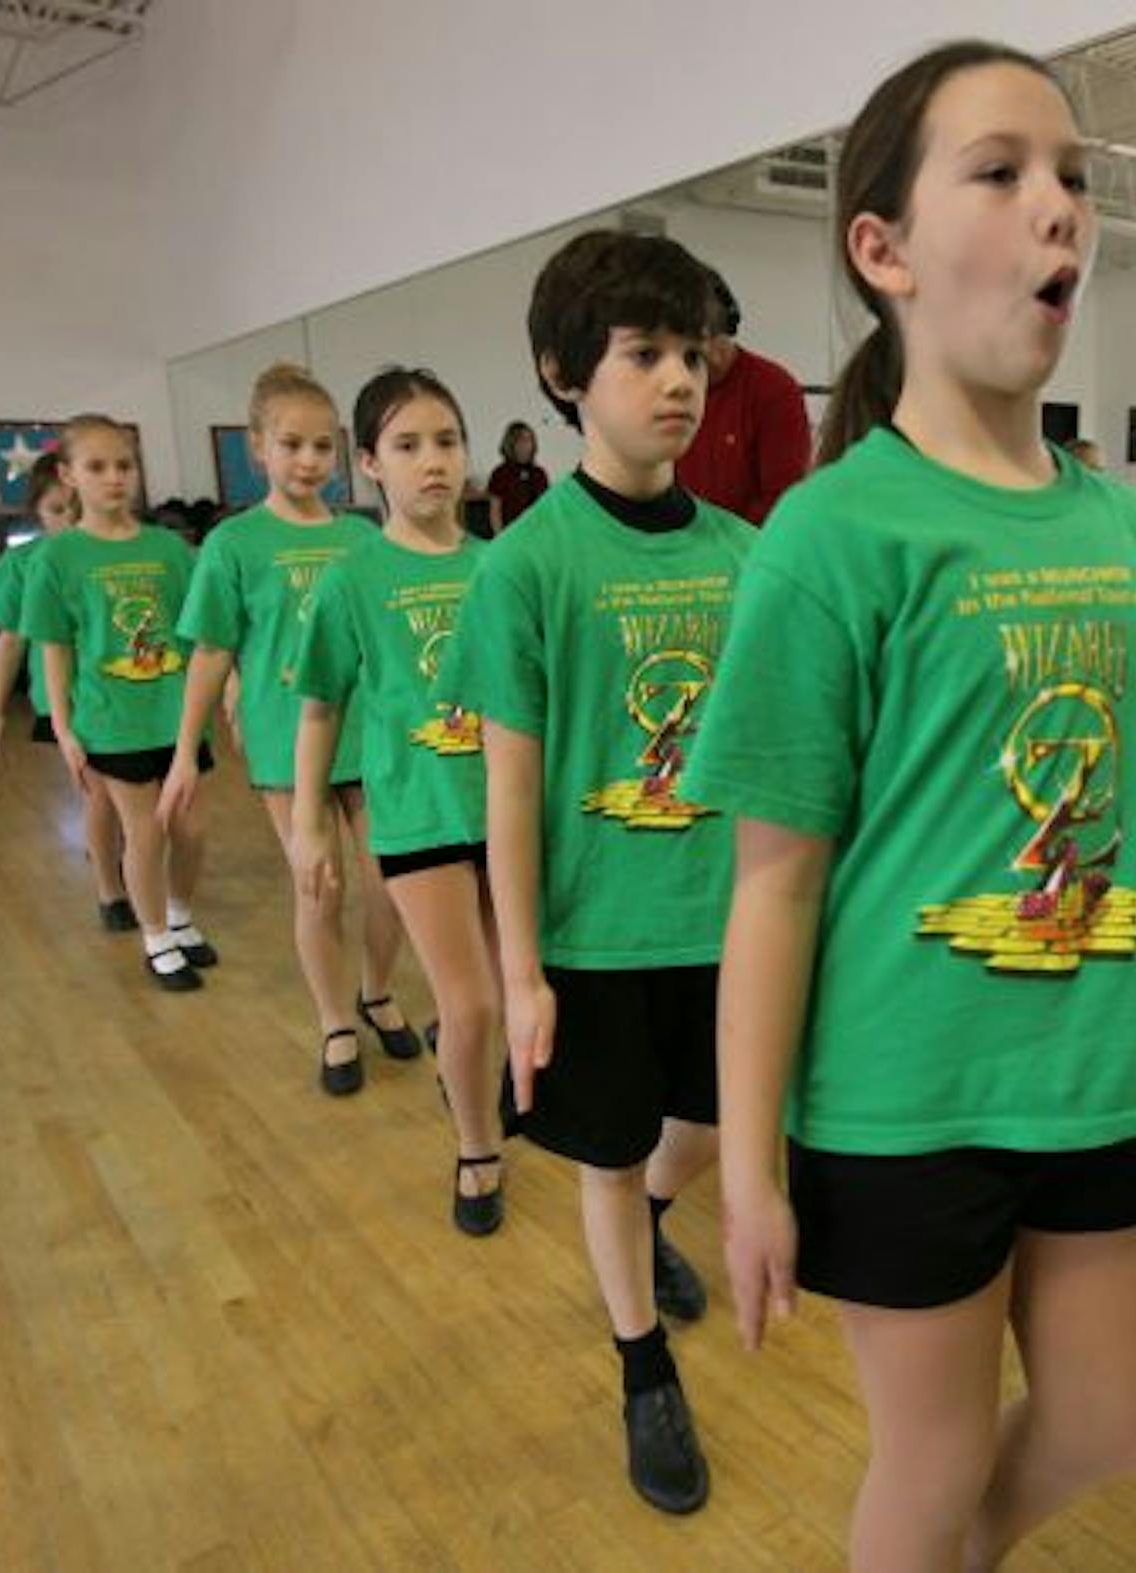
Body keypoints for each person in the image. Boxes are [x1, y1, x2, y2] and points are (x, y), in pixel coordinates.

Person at [682, 44, 1136, 1572]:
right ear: (883, 249)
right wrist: (749, 1170)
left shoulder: (1131, 538)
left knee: (1112, 1424)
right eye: (1001, 171)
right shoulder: (829, 537)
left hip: (1090, 1082)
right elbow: (772, 883)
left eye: (1074, 177)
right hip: (900, 1104)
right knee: (936, 1456)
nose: (1059, 207)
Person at [443, 229, 754, 1516]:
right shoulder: (526, 564)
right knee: (609, 1159)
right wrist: (521, 973)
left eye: (690, 353)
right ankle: (642, 1367)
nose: (678, 379)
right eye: (643, 354)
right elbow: (509, 789)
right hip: (594, 933)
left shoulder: (745, 553)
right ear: (564, 373)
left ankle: (655, 1225)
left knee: (715, 1127)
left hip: (727, 922)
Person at [162, 362, 422, 1094]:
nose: (308, 461)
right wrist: (185, 753)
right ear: (258, 448)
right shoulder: (233, 543)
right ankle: (335, 1020)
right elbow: (211, 651)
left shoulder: (364, 536)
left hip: (372, 740)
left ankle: (376, 990)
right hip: (287, 746)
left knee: (390, 883)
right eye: (291, 444)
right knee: (320, 888)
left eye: (321, 446)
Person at [292, 368, 506, 1231]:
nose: (433, 461)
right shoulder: (352, 579)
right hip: (418, 816)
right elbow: (319, 707)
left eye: (447, 441)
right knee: (472, 1001)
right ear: (371, 463)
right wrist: (308, 821)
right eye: (408, 445)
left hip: (507, 814)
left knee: (507, 995)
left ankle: (472, 1077)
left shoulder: (500, 565)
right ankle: (477, 1147)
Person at [21, 415, 214, 990]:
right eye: (97, 466)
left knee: (191, 831)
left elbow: (200, 634)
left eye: (124, 465)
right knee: (146, 832)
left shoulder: (169, 549)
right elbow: (55, 647)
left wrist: (221, 691)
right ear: (68, 475)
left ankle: (179, 915)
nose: (114, 478)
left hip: (176, 717)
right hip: (111, 721)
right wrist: (64, 727)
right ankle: (155, 937)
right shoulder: (57, 558)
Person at [0, 450, 132, 927]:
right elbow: (10, 640)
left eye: (75, 508)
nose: (68, 519)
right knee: (98, 796)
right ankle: (110, 891)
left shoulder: (122, 553)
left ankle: (128, 863)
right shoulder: (24, 563)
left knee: (126, 799)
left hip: (123, 698)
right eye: (55, 510)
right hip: (66, 701)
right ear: (37, 512)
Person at [676, 265, 813, 525]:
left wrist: (725, 544)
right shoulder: (666, 393)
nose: (708, 353)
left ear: (730, 326)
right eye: (693, 346)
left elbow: (782, 498)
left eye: (713, 337)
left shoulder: (774, 389)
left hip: (749, 544)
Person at [486, 421, 549, 531]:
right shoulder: (500, 473)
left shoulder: (539, 474)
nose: (526, 445)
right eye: (521, 441)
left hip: (535, 532)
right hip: (510, 532)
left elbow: (545, 509)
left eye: (529, 440)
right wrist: (501, 537)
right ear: (511, 444)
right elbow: (495, 512)